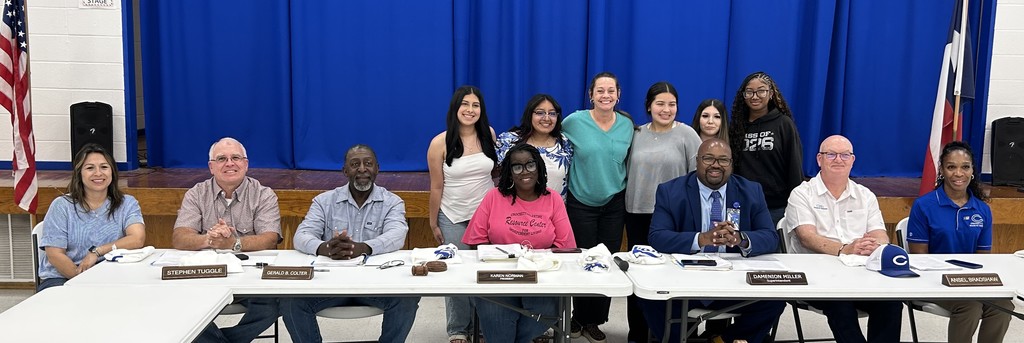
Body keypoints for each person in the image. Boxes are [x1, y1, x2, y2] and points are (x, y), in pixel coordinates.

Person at [642, 138, 784, 343]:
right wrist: (700, 239)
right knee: (651, 298)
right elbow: (657, 237)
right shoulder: (671, 191)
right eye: (708, 158)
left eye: (723, 160)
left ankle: (723, 340)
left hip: (735, 281)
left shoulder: (751, 191)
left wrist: (741, 238)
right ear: (697, 161)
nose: (716, 165)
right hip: (685, 280)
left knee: (775, 300)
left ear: (731, 163)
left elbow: (770, 237)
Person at [281, 144, 420, 343]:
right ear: (345, 171)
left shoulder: (392, 202)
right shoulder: (324, 201)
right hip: (330, 284)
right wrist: (325, 248)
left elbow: (397, 235)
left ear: (377, 169)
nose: (362, 169)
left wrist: (363, 248)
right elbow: (301, 235)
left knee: (408, 299)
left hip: (376, 284)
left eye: (368, 164)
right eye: (355, 164)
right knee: (291, 303)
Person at [785, 135, 902, 343]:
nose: (838, 159)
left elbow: (881, 235)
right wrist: (845, 248)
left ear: (852, 160)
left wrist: (873, 245)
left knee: (891, 303)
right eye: (831, 154)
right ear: (819, 159)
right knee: (840, 304)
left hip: (862, 277)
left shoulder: (865, 195)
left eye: (844, 155)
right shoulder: (801, 194)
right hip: (818, 279)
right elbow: (807, 238)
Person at [462, 143, 576, 343]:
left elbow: (565, 246)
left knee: (547, 312)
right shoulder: (494, 197)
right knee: (498, 328)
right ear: (509, 172)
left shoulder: (553, 199)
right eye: (517, 167)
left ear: (539, 168)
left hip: (541, 278)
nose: (525, 172)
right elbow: (476, 241)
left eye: (530, 165)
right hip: (498, 278)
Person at [172, 137, 282, 343]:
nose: (230, 163)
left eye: (236, 158)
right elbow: (180, 237)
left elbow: (270, 238)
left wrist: (233, 243)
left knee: (275, 303)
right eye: (222, 158)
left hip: (250, 278)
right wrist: (209, 239)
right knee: (179, 303)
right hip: (206, 276)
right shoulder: (196, 194)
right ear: (211, 167)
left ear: (246, 164)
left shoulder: (264, 194)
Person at [907, 141, 1011, 343]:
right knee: (970, 306)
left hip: (970, 282)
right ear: (942, 170)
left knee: (1004, 305)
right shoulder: (924, 205)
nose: (958, 173)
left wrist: (969, 281)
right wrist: (950, 278)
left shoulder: (982, 209)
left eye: (965, 166)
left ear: (972, 170)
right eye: (951, 167)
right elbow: (919, 258)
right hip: (933, 281)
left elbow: (983, 259)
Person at [623, 81, 701, 343]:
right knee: (639, 276)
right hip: (637, 212)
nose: (666, 110)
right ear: (648, 106)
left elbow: (698, 176)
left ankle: (679, 333)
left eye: (672, 104)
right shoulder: (636, 133)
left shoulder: (688, 134)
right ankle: (638, 334)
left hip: (676, 217)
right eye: (660, 104)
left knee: (677, 275)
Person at [561, 71, 634, 343]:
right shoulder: (574, 121)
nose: (606, 95)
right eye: (600, 90)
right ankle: (577, 317)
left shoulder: (627, 124)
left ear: (618, 95)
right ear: (591, 95)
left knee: (607, 262)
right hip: (581, 202)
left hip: (614, 203)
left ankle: (594, 320)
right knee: (583, 262)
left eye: (611, 90)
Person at [427, 85, 498, 343]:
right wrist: (433, 221)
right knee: (456, 273)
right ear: (455, 108)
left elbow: (494, 174)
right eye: (465, 105)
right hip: (452, 215)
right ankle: (458, 329)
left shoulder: (489, 134)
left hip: (487, 217)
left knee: (483, 273)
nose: (470, 110)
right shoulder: (439, 143)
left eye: (475, 105)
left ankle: (481, 326)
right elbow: (436, 186)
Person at [37, 144, 146, 291]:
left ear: (112, 171)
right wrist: (82, 281)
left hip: (111, 276)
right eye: (90, 168)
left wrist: (97, 251)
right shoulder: (61, 206)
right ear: (79, 173)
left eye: (104, 167)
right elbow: (55, 254)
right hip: (63, 277)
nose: (98, 173)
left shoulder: (127, 203)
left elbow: (137, 238)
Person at [729, 71, 803, 225]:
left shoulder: (784, 123)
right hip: (739, 205)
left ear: (771, 94)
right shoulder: (736, 127)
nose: (755, 96)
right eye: (749, 92)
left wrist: (796, 204)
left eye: (761, 90)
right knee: (735, 246)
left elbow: (794, 167)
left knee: (772, 248)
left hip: (776, 207)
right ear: (743, 95)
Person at [496, 94, 573, 197]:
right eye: (540, 113)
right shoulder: (509, 140)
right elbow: (495, 174)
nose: (546, 118)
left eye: (552, 113)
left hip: (555, 209)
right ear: (530, 114)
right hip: (515, 208)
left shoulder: (564, 142)